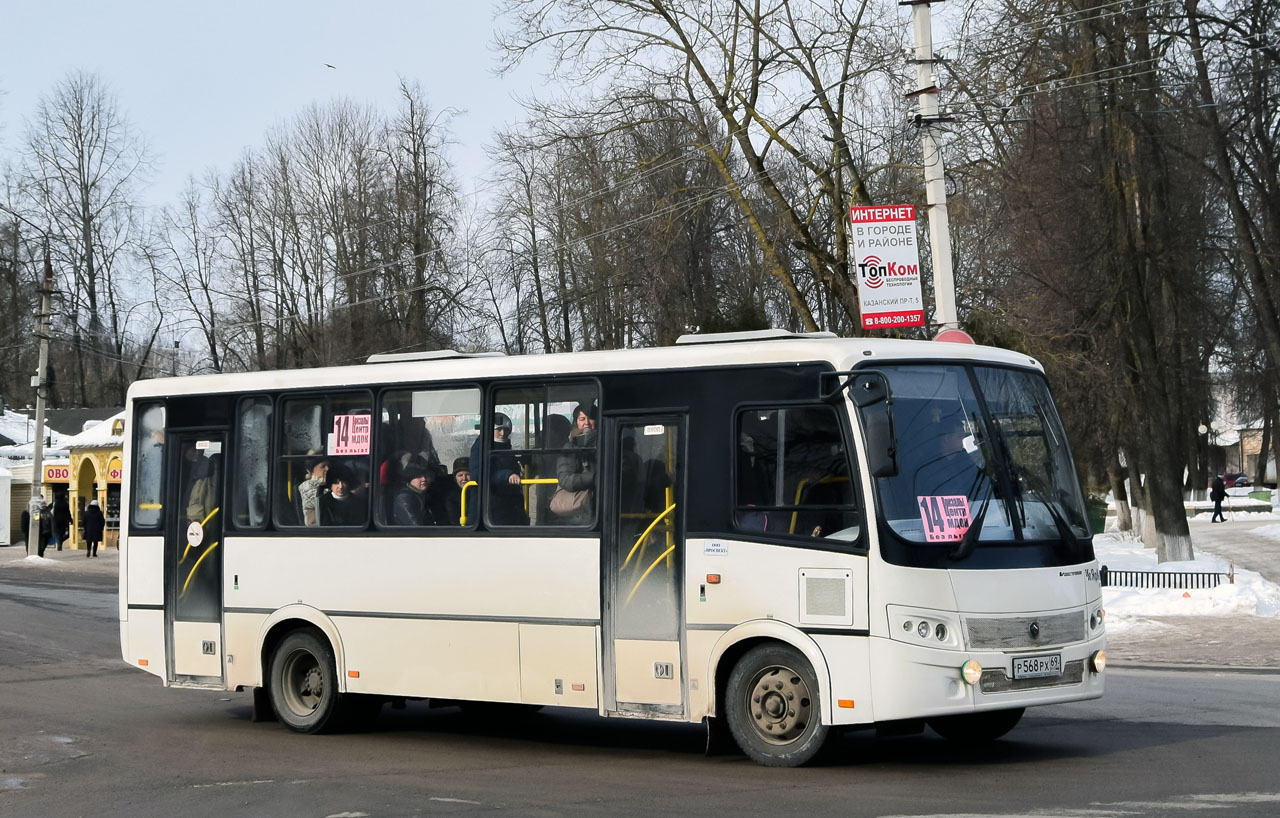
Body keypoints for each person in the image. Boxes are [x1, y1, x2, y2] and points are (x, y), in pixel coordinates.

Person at [470, 412, 528, 526]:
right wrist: (507, 476)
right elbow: (477, 474)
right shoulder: (480, 447)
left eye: (506, 430)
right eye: (499, 429)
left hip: (509, 509)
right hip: (490, 512)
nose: (502, 433)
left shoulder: (506, 448)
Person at [553, 404, 598, 525]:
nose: (587, 423)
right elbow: (565, 479)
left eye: (590, 418)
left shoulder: (608, 443)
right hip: (580, 516)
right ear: (576, 423)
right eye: (582, 419)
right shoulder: (570, 447)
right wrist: (593, 478)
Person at [392, 458, 438, 526]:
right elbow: (416, 527)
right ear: (410, 478)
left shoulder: (428, 495)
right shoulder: (404, 499)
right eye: (418, 476)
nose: (424, 479)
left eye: (427, 475)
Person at [297, 454, 330, 527]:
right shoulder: (307, 486)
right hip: (316, 528)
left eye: (328, 466)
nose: (327, 469)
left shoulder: (329, 484)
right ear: (312, 472)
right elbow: (321, 502)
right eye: (323, 466)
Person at [443, 456, 471, 525]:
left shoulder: (478, 493)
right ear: (455, 478)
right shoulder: (450, 497)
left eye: (468, 474)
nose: (464, 478)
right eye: (460, 475)